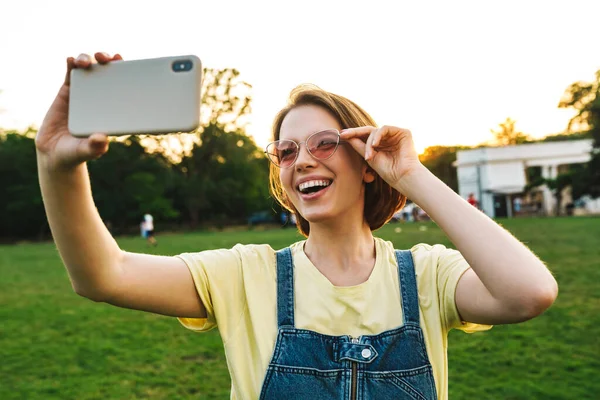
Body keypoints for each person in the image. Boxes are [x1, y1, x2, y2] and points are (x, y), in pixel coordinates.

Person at [35, 53, 558, 400]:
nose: (301, 160)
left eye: (324, 143)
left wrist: (412, 174)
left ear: (366, 162)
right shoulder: (245, 274)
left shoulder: (427, 275)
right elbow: (103, 275)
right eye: (286, 151)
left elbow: (529, 293)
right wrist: (58, 164)